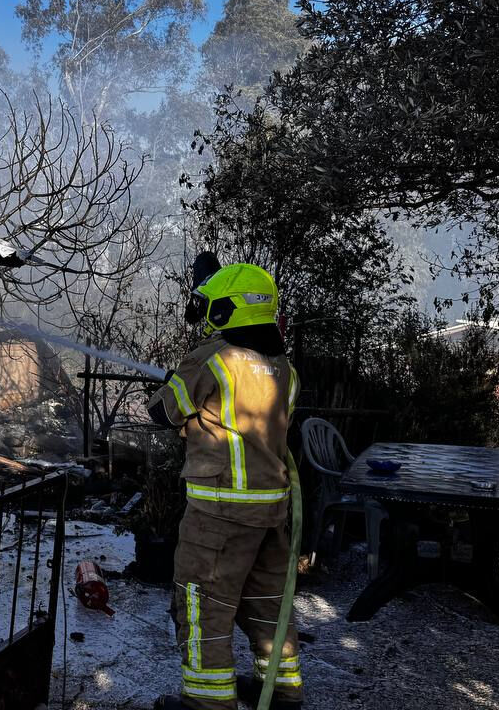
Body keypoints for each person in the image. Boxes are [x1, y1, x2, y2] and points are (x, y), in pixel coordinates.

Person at [146, 255, 303, 710]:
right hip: (272, 510)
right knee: (270, 600)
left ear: (227, 310)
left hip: (219, 513)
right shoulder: (284, 369)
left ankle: (207, 702)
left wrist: (180, 391)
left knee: (203, 605)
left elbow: (163, 412)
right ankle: (283, 688)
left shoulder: (213, 358)